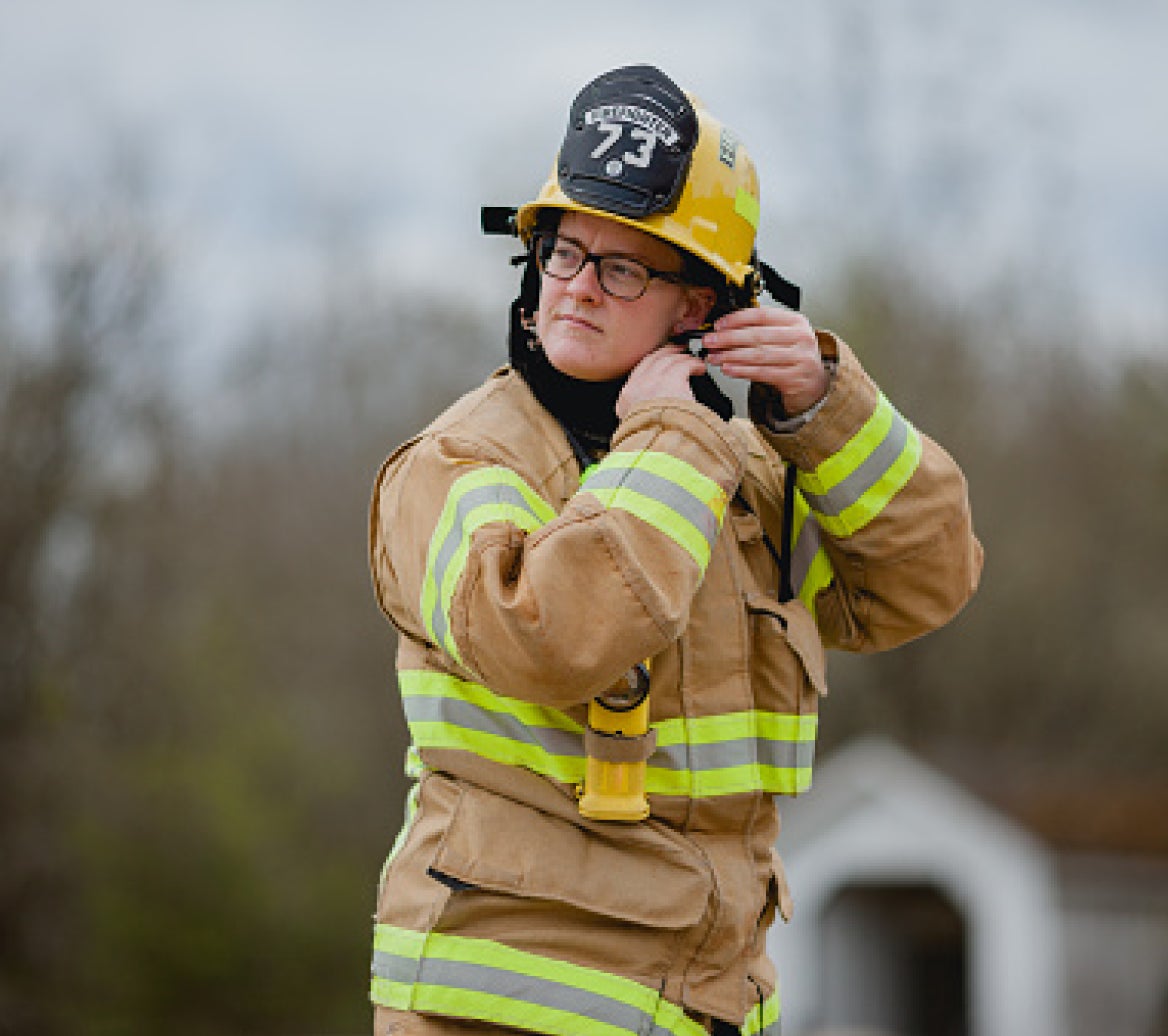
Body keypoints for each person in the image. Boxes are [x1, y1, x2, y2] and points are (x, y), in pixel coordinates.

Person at [366, 64, 983, 1036]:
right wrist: (677, 435)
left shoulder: (730, 479)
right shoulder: (462, 457)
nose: (574, 289)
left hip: (702, 1007)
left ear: (701, 309)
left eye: (622, 268)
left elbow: (926, 580)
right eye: (564, 252)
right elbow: (544, 634)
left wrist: (827, 406)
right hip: (499, 1012)